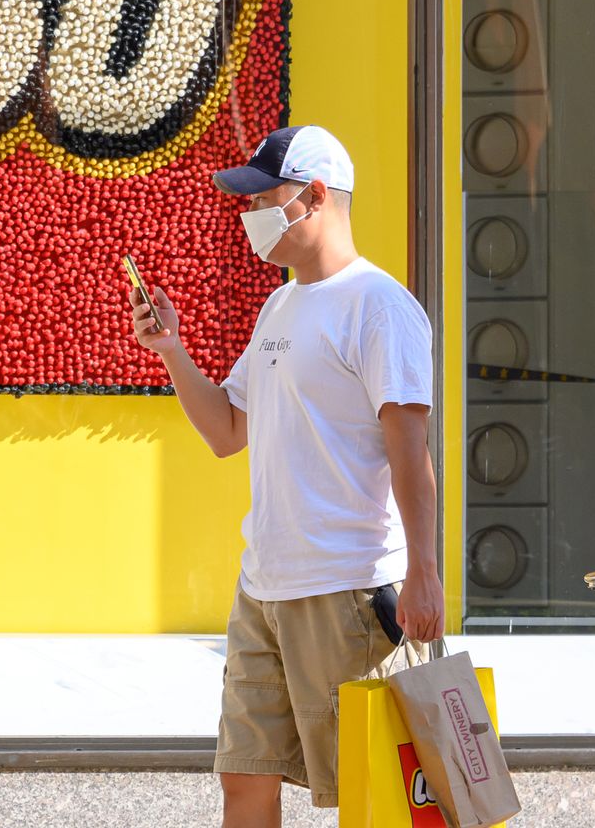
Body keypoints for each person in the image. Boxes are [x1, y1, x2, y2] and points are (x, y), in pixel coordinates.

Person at [127, 125, 442, 827]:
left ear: (317, 196)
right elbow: (226, 433)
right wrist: (171, 350)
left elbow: (410, 452)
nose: (250, 217)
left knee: (370, 796)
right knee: (244, 781)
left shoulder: (379, 307)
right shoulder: (281, 306)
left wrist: (425, 571)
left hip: (351, 589)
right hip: (264, 589)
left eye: (264, 199)